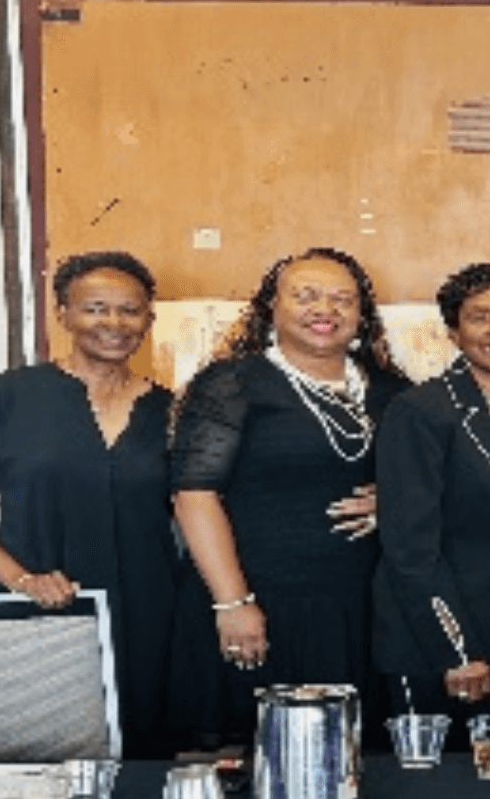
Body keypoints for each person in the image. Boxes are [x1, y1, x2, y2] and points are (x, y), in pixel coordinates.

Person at [0, 251, 179, 758]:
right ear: (62, 313)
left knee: (142, 758)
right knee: (40, 753)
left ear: (149, 321)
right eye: (94, 308)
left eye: (130, 310)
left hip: (149, 616)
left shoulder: (174, 411)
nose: (113, 323)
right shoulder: (3, 397)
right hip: (33, 615)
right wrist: (20, 579)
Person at [169, 247, 408, 750]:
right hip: (260, 605)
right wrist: (233, 602)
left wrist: (398, 500)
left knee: (351, 759)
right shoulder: (233, 385)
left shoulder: (392, 392)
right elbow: (194, 493)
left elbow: (440, 482)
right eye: (306, 296)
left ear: (362, 315)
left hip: (361, 609)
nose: (326, 310)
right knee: (260, 759)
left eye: (343, 299)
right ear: (270, 309)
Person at [374, 262, 490, 722]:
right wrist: (455, 649)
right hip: (436, 644)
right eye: (480, 317)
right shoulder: (421, 411)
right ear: (454, 333)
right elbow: (410, 549)